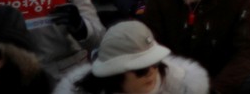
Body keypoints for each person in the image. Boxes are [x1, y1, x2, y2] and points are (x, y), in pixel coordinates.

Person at [55, 20, 212, 94]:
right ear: (113, 74)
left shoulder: (183, 88)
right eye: (141, 69)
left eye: (155, 62)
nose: (151, 71)